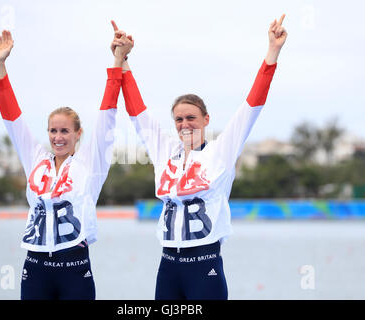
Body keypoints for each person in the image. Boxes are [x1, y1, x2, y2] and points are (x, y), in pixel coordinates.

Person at [111, 15, 288, 299]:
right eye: (179, 119)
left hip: (204, 265)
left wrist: (273, 51)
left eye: (191, 117)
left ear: (206, 119)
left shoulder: (221, 151)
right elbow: (137, 114)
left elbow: (253, 105)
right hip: (168, 265)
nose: (185, 124)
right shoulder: (165, 151)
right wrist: (123, 59)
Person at [0, 30, 133, 299]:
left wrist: (117, 59)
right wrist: (0, 66)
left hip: (74, 267)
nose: (58, 138)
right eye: (53, 131)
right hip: (35, 266)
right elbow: (11, 117)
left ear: (78, 134)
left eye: (65, 131)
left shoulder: (91, 161)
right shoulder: (35, 158)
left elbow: (108, 113)